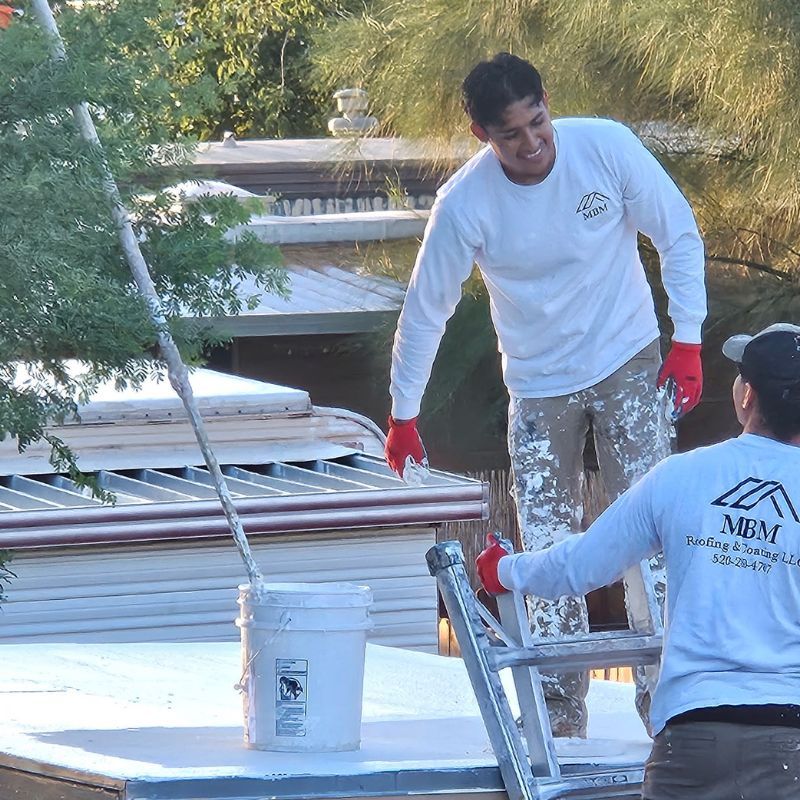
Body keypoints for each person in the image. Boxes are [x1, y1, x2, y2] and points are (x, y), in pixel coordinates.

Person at [384, 52, 707, 736]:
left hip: (627, 357)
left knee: (649, 527)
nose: (532, 143)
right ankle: (560, 709)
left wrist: (688, 338)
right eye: (511, 135)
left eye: (538, 122)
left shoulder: (605, 148)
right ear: (482, 135)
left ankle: (667, 701)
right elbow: (426, 310)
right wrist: (403, 413)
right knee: (545, 540)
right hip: (536, 383)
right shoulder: (464, 204)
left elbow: (677, 232)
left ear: (548, 102)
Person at [476, 323, 800, 799]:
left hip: (693, 740)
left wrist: (504, 570)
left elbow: (580, 566)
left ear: (747, 395)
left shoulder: (682, 477)